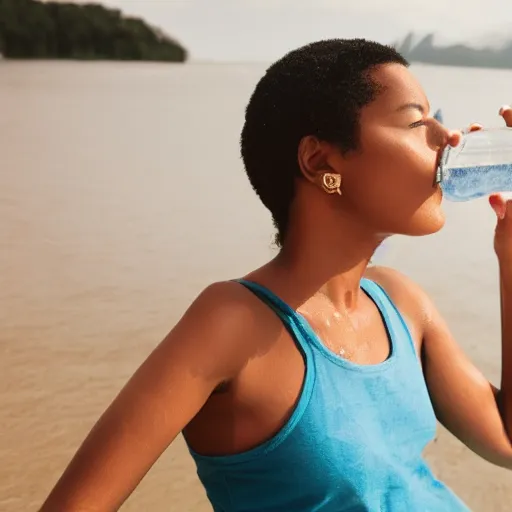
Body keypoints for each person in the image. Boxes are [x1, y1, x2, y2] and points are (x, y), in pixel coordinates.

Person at [40, 39, 512, 512]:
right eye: (415, 121)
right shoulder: (231, 322)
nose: (448, 136)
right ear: (321, 162)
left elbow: (507, 441)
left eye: (436, 116)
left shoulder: (402, 304)